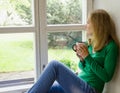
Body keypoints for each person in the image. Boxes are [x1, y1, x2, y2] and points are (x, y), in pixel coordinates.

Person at [27, 9, 119, 93]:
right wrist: (82, 59)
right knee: (46, 88)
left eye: (88, 23)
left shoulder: (111, 46)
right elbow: (85, 69)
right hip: (79, 84)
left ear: (97, 25)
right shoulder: (92, 43)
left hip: (90, 90)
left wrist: (87, 57)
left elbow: (107, 77)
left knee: (54, 65)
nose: (86, 26)